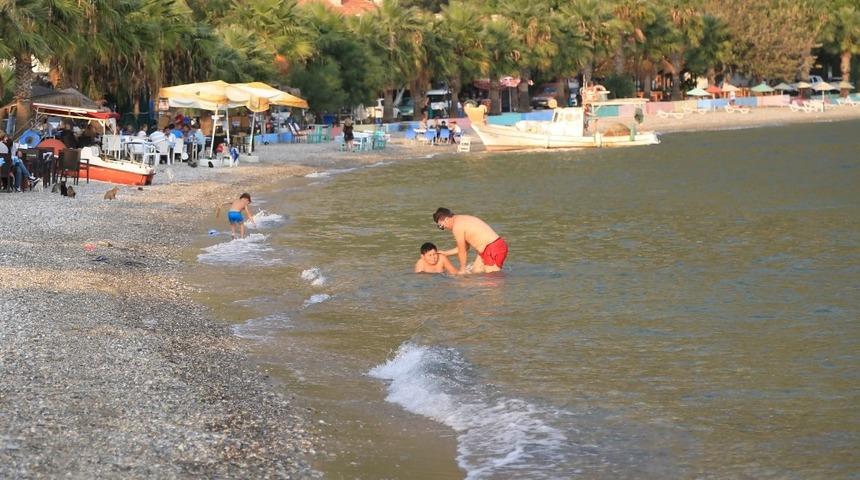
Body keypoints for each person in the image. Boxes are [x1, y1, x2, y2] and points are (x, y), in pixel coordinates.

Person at [433, 207, 508, 274]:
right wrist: (446, 253)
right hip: (488, 248)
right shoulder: (460, 219)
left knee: (492, 280)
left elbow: (462, 250)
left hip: (493, 248)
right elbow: (465, 247)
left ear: (446, 219)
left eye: (441, 226)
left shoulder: (457, 227)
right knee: (476, 271)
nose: (444, 228)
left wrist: (462, 269)